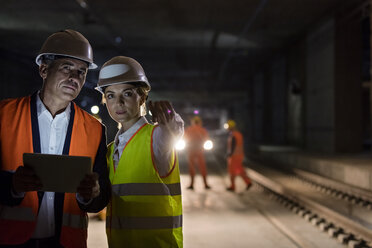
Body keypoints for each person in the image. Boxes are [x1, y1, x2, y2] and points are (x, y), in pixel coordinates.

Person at [0, 29, 110, 248]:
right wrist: (11, 184)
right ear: (43, 69)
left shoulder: (95, 129)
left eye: (81, 71)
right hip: (10, 240)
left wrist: (92, 195)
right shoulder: (4, 116)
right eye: (66, 68)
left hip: (66, 243)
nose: (74, 78)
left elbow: (101, 195)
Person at [95, 56, 183, 248]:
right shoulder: (110, 151)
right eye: (110, 95)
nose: (118, 102)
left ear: (142, 97)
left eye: (127, 93)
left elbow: (172, 132)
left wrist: (170, 120)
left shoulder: (156, 138)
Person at [184, 116, 211, 190]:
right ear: (199, 122)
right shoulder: (203, 130)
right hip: (199, 151)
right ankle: (205, 184)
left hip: (191, 150)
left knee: (192, 168)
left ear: (193, 122)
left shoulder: (189, 129)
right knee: (202, 167)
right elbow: (206, 139)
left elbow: (184, 139)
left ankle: (191, 184)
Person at [226, 120, 252, 192]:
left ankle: (233, 186)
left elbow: (233, 146)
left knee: (232, 171)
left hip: (234, 156)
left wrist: (229, 154)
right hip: (239, 155)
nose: (227, 128)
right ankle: (248, 182)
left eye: (228, 127)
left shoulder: (233, 135)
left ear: (230, 127)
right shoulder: (238, 134)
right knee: (240, 170)